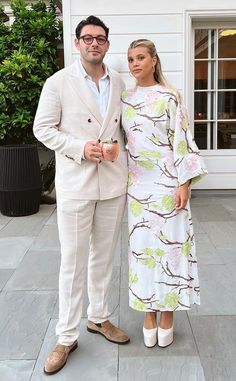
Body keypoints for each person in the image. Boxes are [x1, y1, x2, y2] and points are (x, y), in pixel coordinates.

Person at [33, 15, 129, 375]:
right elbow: (42, 128)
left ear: (107, 43)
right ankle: (66, 335)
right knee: (72, 263)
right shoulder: (58, 82)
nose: (94, 43)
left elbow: (125, 127)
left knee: (104, 258)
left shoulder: (119, 80)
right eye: (87, 38)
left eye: (100, 38)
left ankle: (99, 317)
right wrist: (78, 147)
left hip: (112, 183)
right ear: (77, 43)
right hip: (76, 183)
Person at [121, 39, 207, 348]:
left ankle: (168, 311)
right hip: (138, 187)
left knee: (170, 248)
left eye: (141, 57)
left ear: (154, 60)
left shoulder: (170, 97)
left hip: (169, 183)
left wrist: (183, 182)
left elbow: (181, 140)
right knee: (143, 252)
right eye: (131, 59)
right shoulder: (124, 99)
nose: (135, 63)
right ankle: (148, 311)